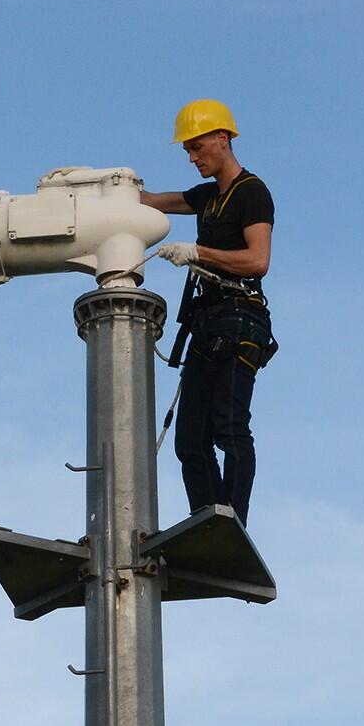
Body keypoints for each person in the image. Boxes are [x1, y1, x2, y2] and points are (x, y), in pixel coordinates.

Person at [141, 98, 275, 527]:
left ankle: (232, 523)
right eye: (187, 150)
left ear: (222, 138)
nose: (192, 157)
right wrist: (115, 190)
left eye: (197, 147)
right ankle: (208, 521)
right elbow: (153, 201)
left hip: (240, 321)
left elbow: (258, 261)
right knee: (190, 439)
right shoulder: (208, 197)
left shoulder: (251, 192)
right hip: (208, 324)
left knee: (228, 427)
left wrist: (198, 252)